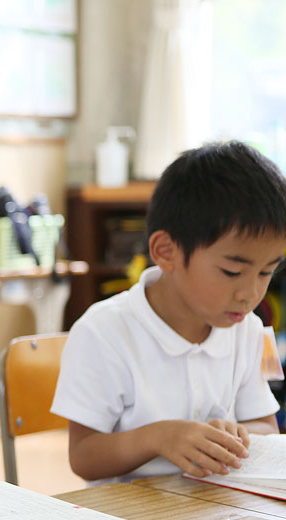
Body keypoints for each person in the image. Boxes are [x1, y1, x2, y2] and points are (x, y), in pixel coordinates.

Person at [52, 141, 286, 483]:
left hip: (215, 508)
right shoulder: (102, 332)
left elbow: (266, 427)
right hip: (129, 511)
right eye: (232, 272)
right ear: (166, 252)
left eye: (267, 272)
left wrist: (237, 435)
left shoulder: (250, 330)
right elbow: (83, 456)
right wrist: (158, 438)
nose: (250, 294)